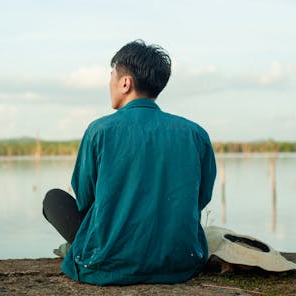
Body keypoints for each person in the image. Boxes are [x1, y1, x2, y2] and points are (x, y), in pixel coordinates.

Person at [42, 40, 217, 285]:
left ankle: (95, 251)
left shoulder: (100, 130)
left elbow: (85, 199)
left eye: (111, 76)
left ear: (125, 83)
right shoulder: (195, 133)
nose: (109, 84)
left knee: (53, 199)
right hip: (181, 262)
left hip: (108, 262)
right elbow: (201, 198)